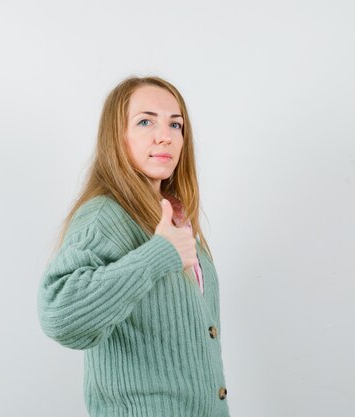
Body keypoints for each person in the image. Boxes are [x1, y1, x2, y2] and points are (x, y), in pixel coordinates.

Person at [37, 75, 230, 417]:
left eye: (176, 124)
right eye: (145, 122)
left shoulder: (175, 218)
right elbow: (59, 314)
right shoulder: (104, 215)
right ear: (118, 137)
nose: (164, 135)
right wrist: (158, 256)